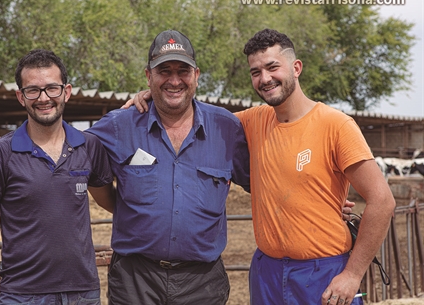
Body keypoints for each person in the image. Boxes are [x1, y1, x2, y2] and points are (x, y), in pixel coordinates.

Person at [0, 30, 251, 304]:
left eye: (183, 71)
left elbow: (261, 182)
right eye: (164, 71)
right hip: (135, 280)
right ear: (148, 76)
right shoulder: (117, 126)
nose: (174, 80)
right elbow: (58, 136)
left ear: (197, 75)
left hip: (203, 282)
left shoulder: (227, 128)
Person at [129, 29, 396, 305]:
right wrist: (153, 96)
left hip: (323, 271)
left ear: (296, 67)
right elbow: (193, 116)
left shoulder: (336, 125)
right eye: (255, 72)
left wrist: (352, 274)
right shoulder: (250, 122)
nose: (265, 79)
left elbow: (382, 201)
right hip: (267, 272)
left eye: (272, 67)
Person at [0, 49, 114, 305]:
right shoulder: (0, 153)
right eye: (33, 90)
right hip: (23, 295)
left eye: (52, 88)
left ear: (66, 91)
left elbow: (112, 203)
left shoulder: (89, 146)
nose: (43, 98)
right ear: (21, 97)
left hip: (83, 294)